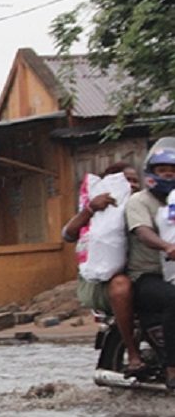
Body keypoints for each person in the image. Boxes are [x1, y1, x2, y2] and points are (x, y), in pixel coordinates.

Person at [61, 162, 143, 376]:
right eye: (128, 181)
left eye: (136, 181)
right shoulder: (100, 209)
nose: (133, 185)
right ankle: (133, 354)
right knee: (120, 285)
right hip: (101, 284)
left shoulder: (144, 205)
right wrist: (91, 209)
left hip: (142, 275)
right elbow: (68, 234)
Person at [124, 137, 175, 389]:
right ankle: (171, 367)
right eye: (162, 170)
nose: (168, 174)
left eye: (172, 170)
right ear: (151, 173)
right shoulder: (139, 202)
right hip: (147, 276)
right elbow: (143, 231)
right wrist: (166, 246)